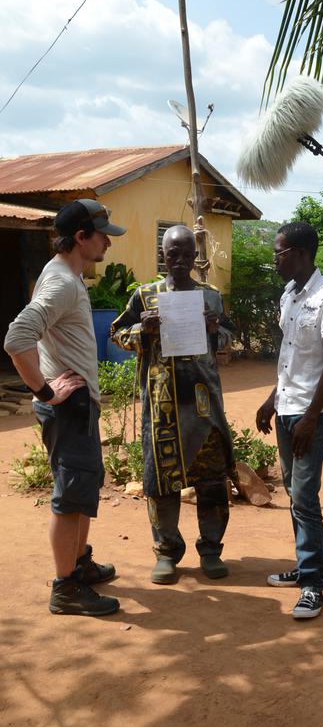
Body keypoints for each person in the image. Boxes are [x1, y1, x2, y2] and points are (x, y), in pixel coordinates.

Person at [4, 199, 126, 617]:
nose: (108, 244)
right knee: (71, 496)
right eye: (103, 235)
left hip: (76, 405)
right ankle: (65, 587)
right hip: (67, 406)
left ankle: (79, 564)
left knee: (83, 486)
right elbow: (17, 337)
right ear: (81, 236)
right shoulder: (62, 283)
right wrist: (42, 391)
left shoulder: (62, 276)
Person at [110, 225, 234, 585]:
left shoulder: (211, 297)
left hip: (203, 404)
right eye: (172, 254)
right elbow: (116, 333)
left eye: (186, 254)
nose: (179, 261)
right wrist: (140, 331)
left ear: (195, 256)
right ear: (162, 256)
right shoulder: (145, 296)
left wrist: (216, 332)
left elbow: (229, 338)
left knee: (211, 481)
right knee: (160, 482)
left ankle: (210, 549)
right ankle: (166, 553)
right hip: (162, 405)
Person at [255, 221, 323, 620]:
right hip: (289, 405)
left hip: (315, 411)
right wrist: (271, 400)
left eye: (279, 252)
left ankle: (312, 584)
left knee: (305, 494)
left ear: (300, 253)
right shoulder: (289, 296)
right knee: (295, 491)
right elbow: (292, 358)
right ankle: (308, 565)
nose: (274, 259)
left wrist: (312, 416)